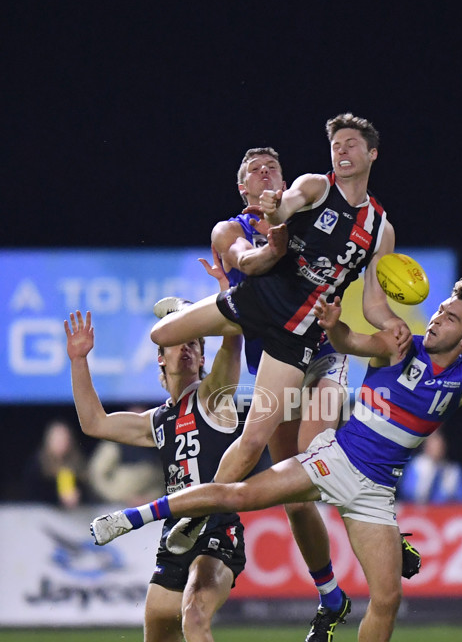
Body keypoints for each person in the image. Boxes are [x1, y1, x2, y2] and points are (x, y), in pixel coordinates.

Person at [90, 279, 462, 642]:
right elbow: (352, 341)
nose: (439, 318)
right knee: (241, 493)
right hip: (333, 459)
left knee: (388, 598)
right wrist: (335, 325)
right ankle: (135, 517)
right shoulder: (401, 343)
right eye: (441, 309)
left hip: (375, 491)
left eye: (450, 316)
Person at [148, 113, 412, 545]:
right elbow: (286, 205)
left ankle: (196, 512)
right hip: (258, 299)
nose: (342, 150)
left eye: (351, 144)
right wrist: (276, 210)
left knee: (257, 442)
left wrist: (392, 323)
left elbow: (373, 301)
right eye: (336, 144)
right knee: (161, 335)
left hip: (298, 334)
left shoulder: (381, 230)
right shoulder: (315, 186)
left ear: (372, 154)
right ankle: (187, 311)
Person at [168, 146, 355, 642]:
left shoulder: (304, 213)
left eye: (272, 166)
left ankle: (199, 513)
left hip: (320, 356)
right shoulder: (229, 231)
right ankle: (330, 597)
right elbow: (248, 260)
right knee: (294, 498)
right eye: (254, 170)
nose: (266, 172)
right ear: (242, 189)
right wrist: (250, 267)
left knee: (317, 459)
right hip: (274, 363)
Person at [65, 290, 250, 642]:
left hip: (218, 529)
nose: (187, 348)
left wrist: (231, 286)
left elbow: (233, 339)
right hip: (175, 539)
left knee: (195, 614)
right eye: (177, 343)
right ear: (161, 361)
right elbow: (93, 423)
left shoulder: (215, 397)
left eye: (195, 343)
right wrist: (79, 360)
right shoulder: (159, 421)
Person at [87, 406, 165, 505]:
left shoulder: (156, 445)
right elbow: (97, 475)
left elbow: (161, 480)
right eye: (135, 420)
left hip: (150, 507)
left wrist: (148, 498)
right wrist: (120, 497)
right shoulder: (114, 443)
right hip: (114, 506)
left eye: (144, 420)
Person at [21, 420, 89, 508]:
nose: (61, 443)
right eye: (57, 439)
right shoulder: (38, 465)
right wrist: (57, 497)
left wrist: (78, 496)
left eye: (64, 439)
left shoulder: (78, 463)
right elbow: (31, 494)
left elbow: (88, 491)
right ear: (49, 440)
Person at [396, 427, 462, 503]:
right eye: (433, 443)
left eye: (439, 444)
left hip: (444, 511)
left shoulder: (453, 470)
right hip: (418, 510)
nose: (437, 448)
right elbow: (407, 493)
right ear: (426, 446)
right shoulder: (416, 466)